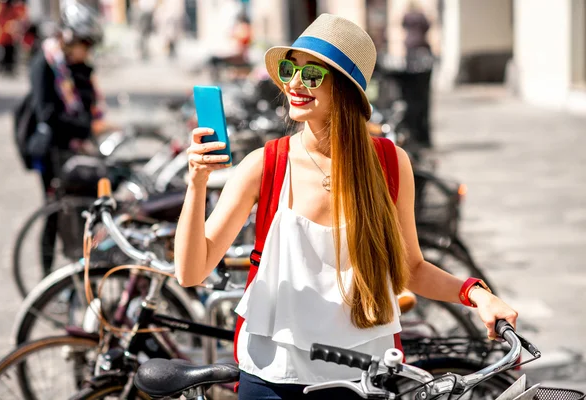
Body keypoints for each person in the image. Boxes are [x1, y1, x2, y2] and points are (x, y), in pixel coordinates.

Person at [174, 14, 518, 399]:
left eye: (313, 75)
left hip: (362, 377)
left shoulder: (389, 163)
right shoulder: (265, 165)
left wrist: (477, 294)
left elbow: (410, 268)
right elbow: (191, 272)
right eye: (290, 70)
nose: (294, 84)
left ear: (346, 89)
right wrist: (197, 182)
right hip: (272, 375)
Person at [27, 0, 106, 273]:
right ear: (71, 37)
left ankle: (79, 268)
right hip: (51, 152)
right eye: (87, 44)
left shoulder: (73, 65)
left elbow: (86, 100)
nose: (89, 51)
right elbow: (47, 114)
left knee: (78, 212)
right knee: (53, 213)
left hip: (73, 150)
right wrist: (85, 129)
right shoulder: (45, 64)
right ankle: (45, 276)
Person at [401, 0, 433, 149]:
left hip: (411, 51)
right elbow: (428, 26)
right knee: (422, 98)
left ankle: (416, 133)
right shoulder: (421, 17)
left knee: (413, 95)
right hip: (421, 50)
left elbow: (401, 25)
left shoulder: (407, 17)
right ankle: (422, 135)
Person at [0, 0, 27, 75]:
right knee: (2, 53)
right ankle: (4, 68)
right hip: (1, 35)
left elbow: (17, 17)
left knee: (10, 52)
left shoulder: (11, 8)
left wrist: (14, 25)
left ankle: (9, 68)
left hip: (9, 35)